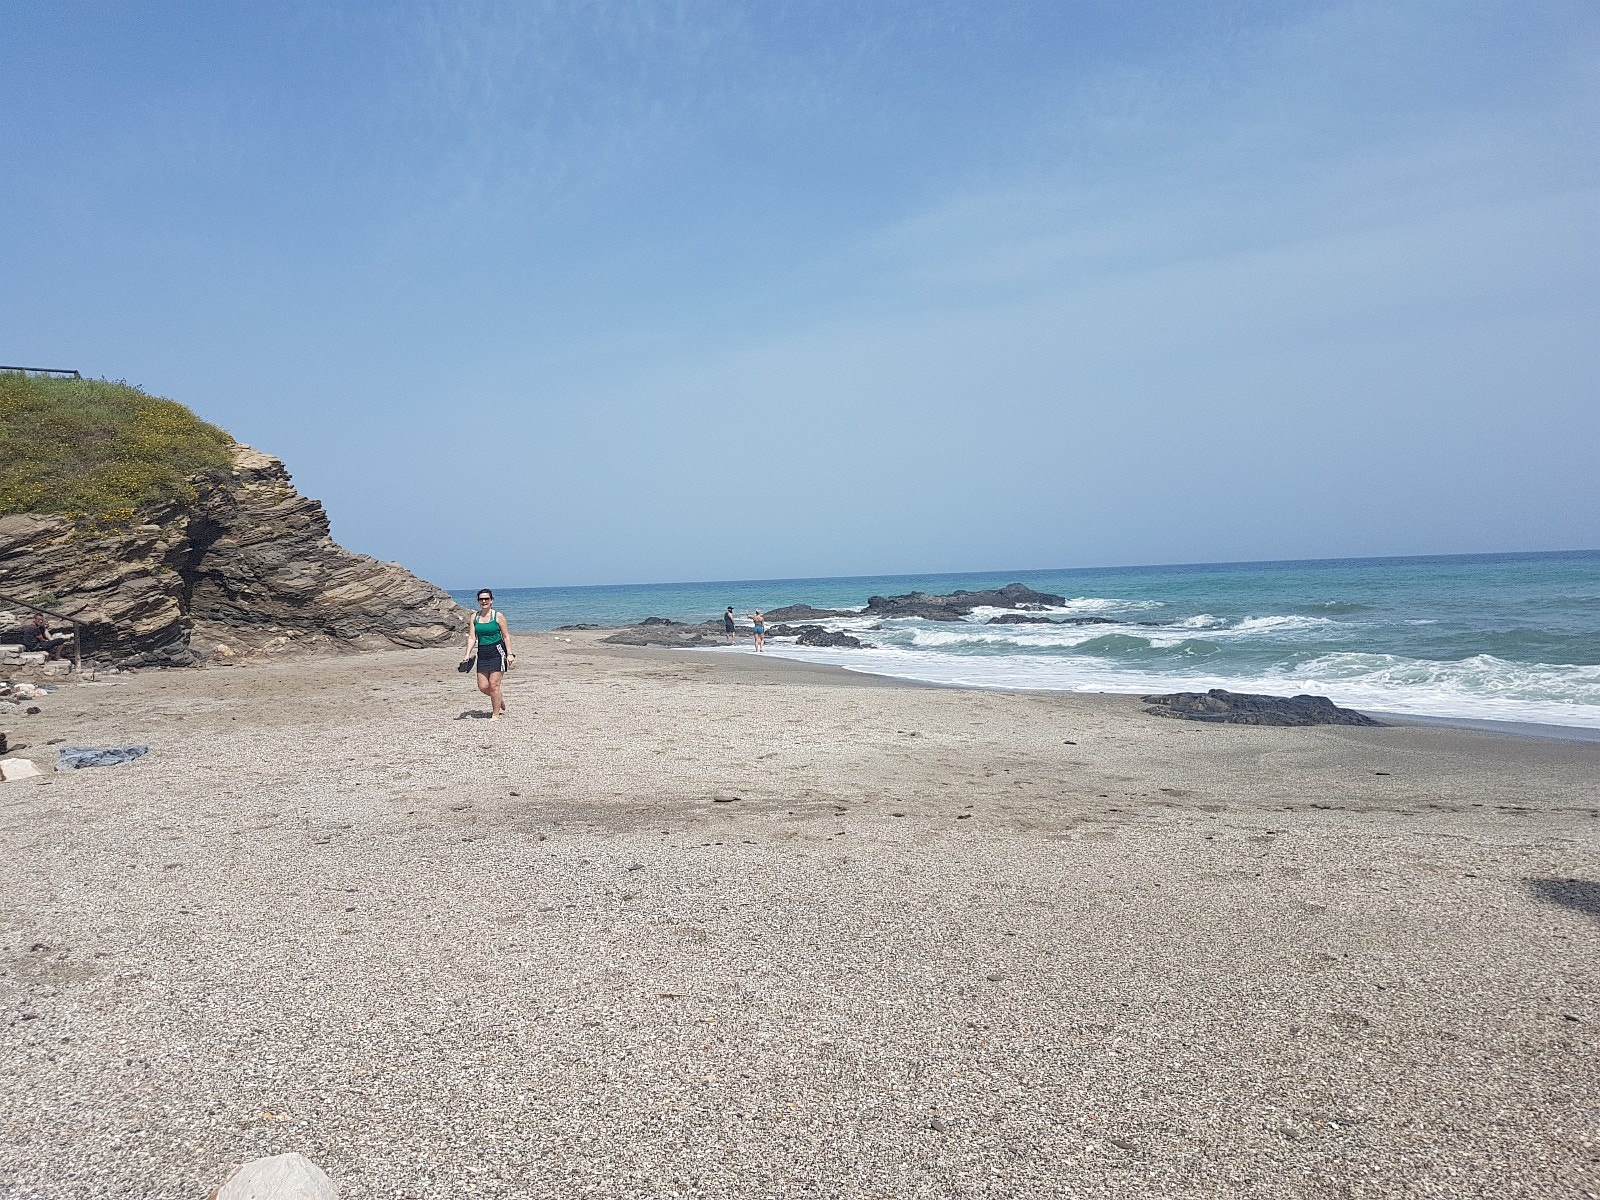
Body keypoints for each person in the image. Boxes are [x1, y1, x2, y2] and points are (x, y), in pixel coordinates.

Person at [461, 589, 513, 720]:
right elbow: (472, 638)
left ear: (491, 600)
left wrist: (510, 654)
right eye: (481, 599)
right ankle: (498, 697)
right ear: (478, 601)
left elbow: (506, 636)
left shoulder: (498, 616)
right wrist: (467, 654)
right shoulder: (475, 616)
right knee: (483, 686)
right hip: (482, 652)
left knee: (494, 685)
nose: (484, 601)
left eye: (487, 599)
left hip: (497, 651)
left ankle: (495, 714)